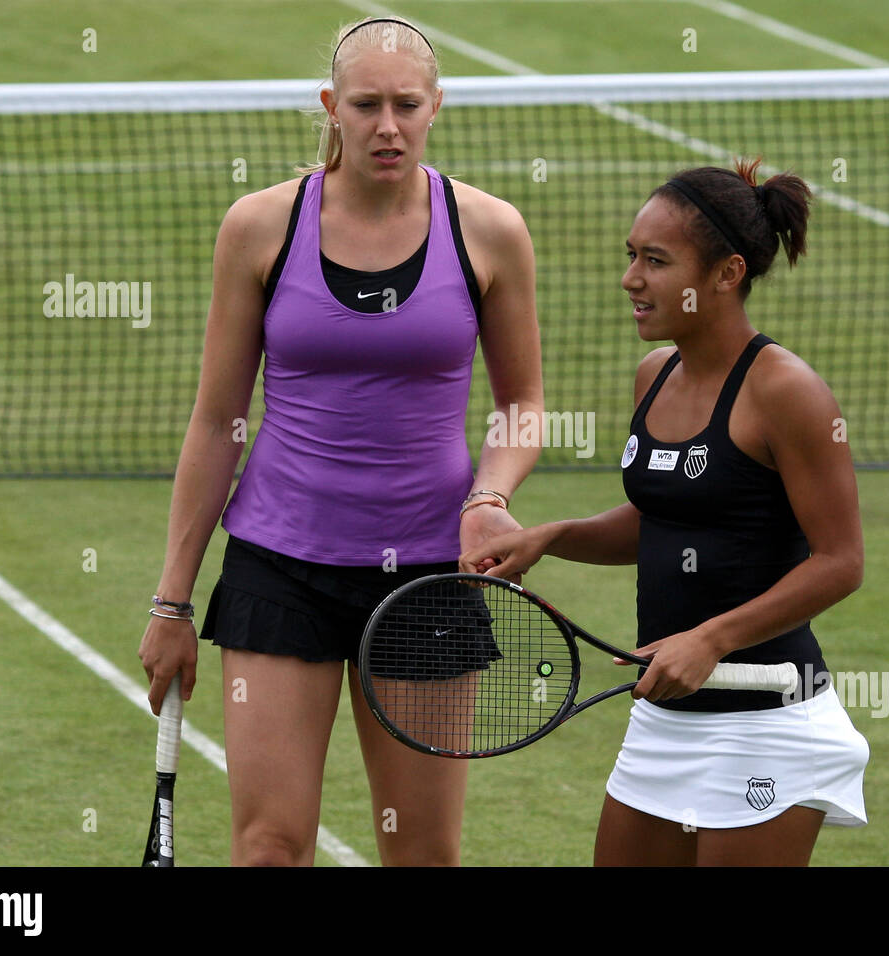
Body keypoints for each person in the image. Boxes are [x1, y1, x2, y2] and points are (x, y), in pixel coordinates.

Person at [137, 15, 543, 866]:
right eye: (365, 105)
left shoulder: (491, 230)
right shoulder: (259, 227)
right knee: (269, 848)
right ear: (332, 106)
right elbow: (217, 421)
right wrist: (171, 603)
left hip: (430, 575)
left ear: (436, 107)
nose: (387, 126)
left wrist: (490, 494)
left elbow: (523, 405)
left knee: (423, 854)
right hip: (281, 569)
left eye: (406, 105)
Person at [460, 159, 868, 866]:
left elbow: (841, 562)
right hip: (665, 720)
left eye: (655, 260)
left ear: (727, 274)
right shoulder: (656, 375)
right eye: (631, 256)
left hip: (767, 720)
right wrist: (552, 537)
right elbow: (666, 518)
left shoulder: (787, 393)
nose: (631, 279)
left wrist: (709, 640)